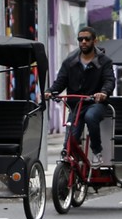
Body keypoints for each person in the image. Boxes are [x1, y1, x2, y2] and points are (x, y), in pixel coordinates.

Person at [44, 27, 115, 168]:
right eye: (80, 39)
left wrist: (103, 93)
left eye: (87, 39)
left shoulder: (104, 61)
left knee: (90, 116)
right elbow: (60, 82)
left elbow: (109, 80)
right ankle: (70, 168)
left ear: (94, 41)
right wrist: (50, 91)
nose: (83, 42)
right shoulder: (70, 62)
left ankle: (96, 151)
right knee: (70, 138)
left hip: (96, 104)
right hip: (76, 105)